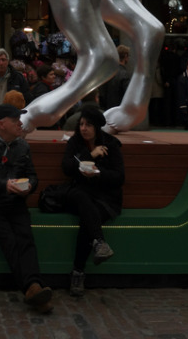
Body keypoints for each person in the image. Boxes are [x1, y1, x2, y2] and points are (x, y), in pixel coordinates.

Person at [0, 103, 53, 312]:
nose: (20, 124)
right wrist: (4, 186)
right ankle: (32, 288)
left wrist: (30, 186)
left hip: (15, 203)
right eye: (15, 121)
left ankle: (34, 288)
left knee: (26, 238)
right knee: (10, 241)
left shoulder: (22, 146)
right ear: (1, 124)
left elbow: (32, 176)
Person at [60, 103, 124, 297]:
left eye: (88, 125)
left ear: (96, 127)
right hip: (79, 193)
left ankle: (78, 272)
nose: (83, 128)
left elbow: (119, 177)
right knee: (82, 199)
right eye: (81, 124)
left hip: (105, 198)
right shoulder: (75, 142)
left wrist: (97, 174)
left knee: (88, 220)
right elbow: (67, 168)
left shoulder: (111, 145)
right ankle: (99, 243)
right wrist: (90, 155)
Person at [98, 45, 130, 111]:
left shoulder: (106, 74)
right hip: (120, 111)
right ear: (126, 56)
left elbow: (101, 94)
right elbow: (128, 96)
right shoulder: (125, 75)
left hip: (107, 111)